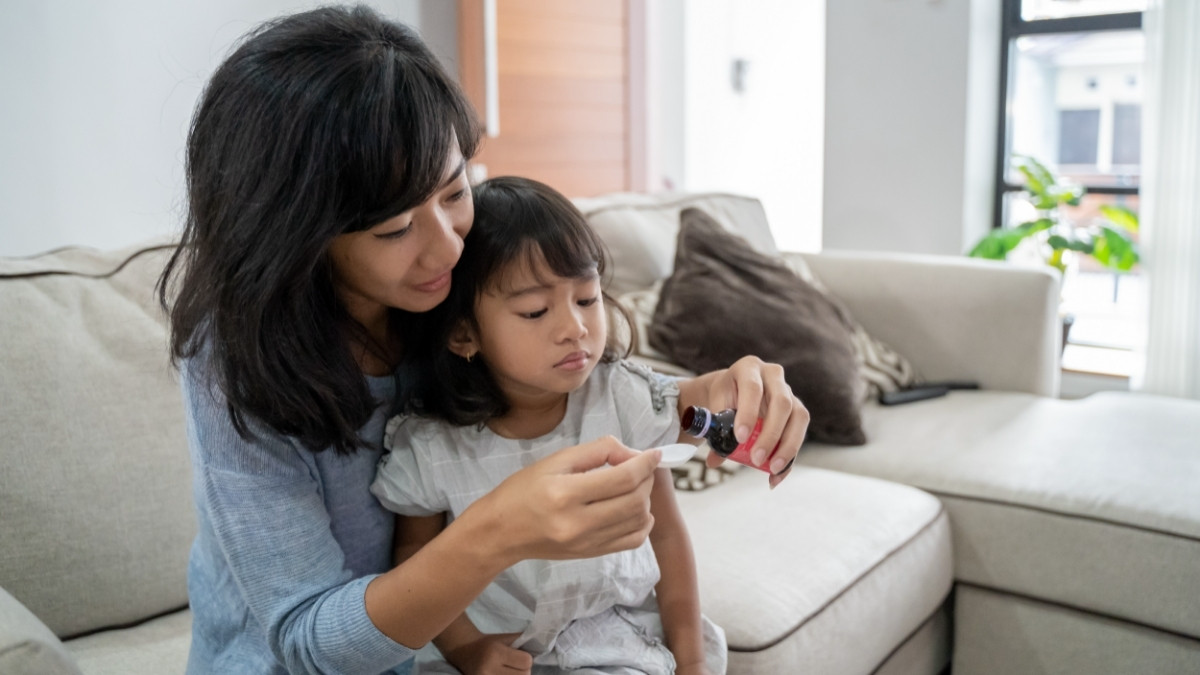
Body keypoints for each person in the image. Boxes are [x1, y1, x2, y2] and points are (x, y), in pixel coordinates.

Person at [158, 5, 809, 674]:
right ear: (298, 237)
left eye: (453, 190)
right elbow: (304, 641)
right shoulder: (234, 359)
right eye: (392, 229)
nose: (446, 246)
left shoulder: (449, 282)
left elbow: (595, 386)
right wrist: (500, 529)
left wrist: (721, 393)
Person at [372, 176, 730, 674]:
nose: (575, 328)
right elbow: (414, 557)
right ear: (463, 333)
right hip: (494, 652)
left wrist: (690, 662)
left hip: (611, 643)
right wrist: (467, 649)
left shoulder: (620, 400)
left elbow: (666, 536)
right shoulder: (431, 444)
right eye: (535, 311)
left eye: (587, 298)